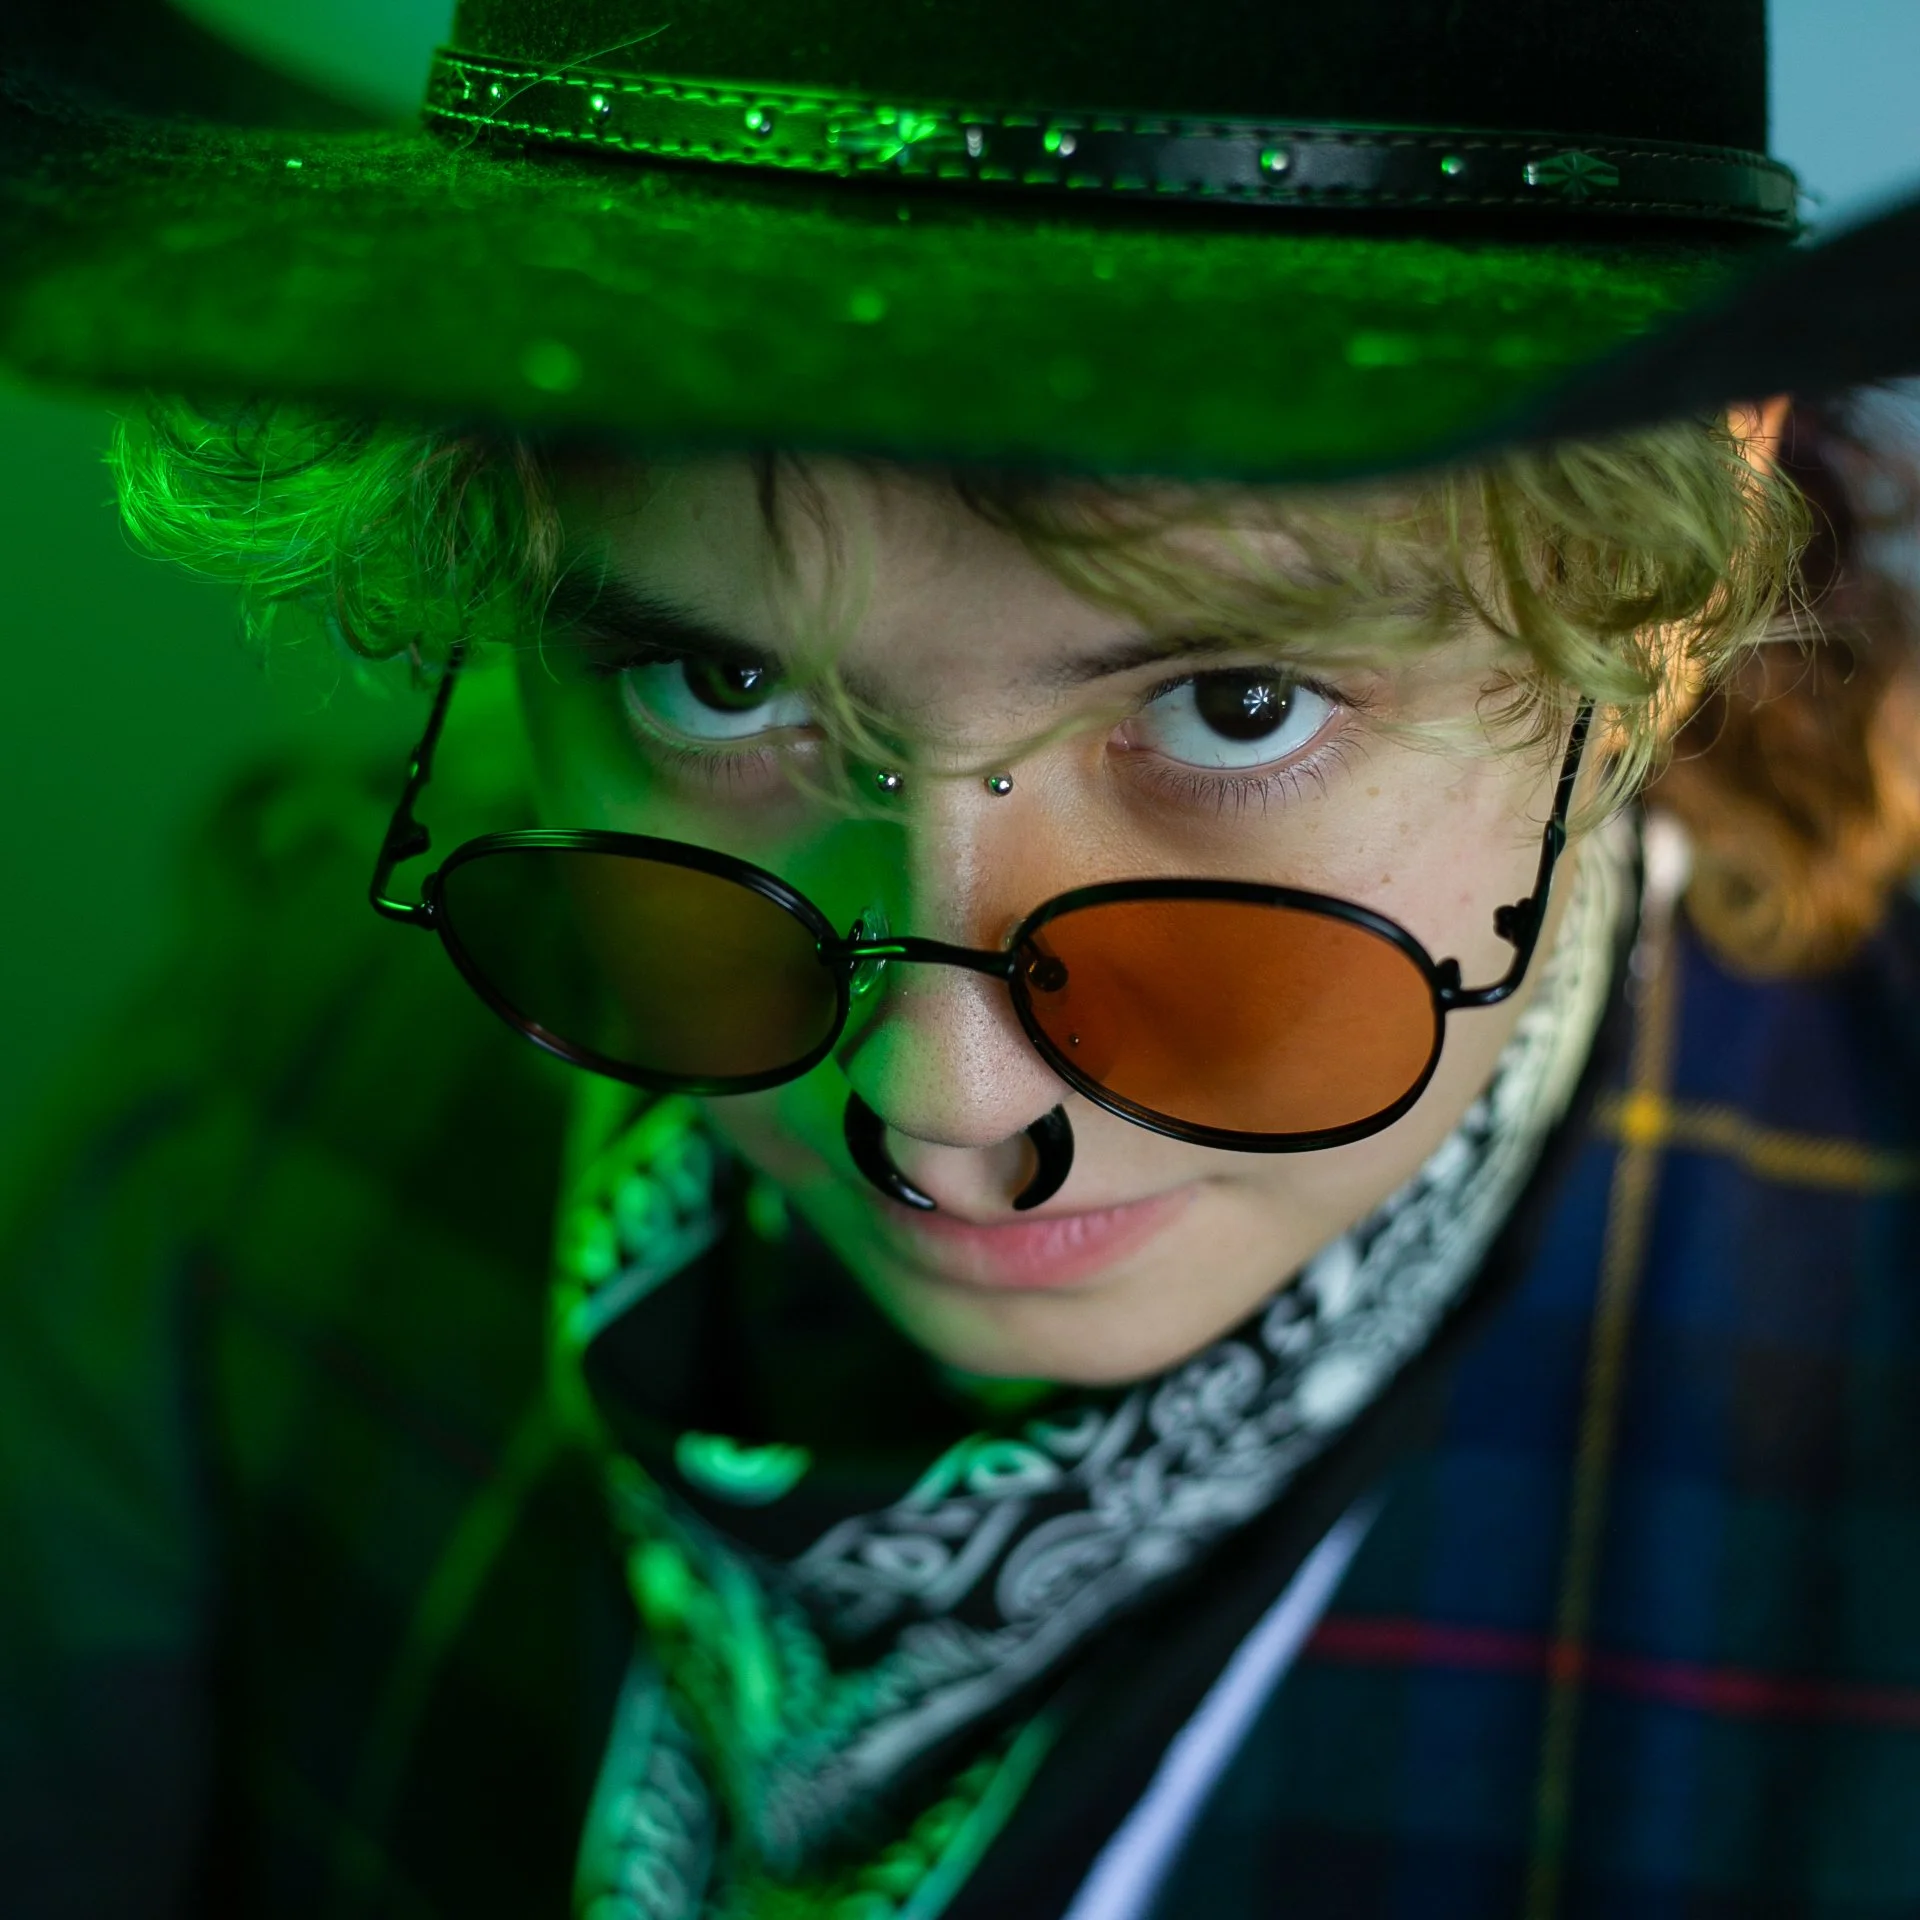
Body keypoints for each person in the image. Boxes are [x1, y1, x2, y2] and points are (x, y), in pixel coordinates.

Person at [6, 3, 1920, 1916]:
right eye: (718, 682)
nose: (938, 1109)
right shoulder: (262, 1109)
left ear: (1670, 542)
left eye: (1236, 708)